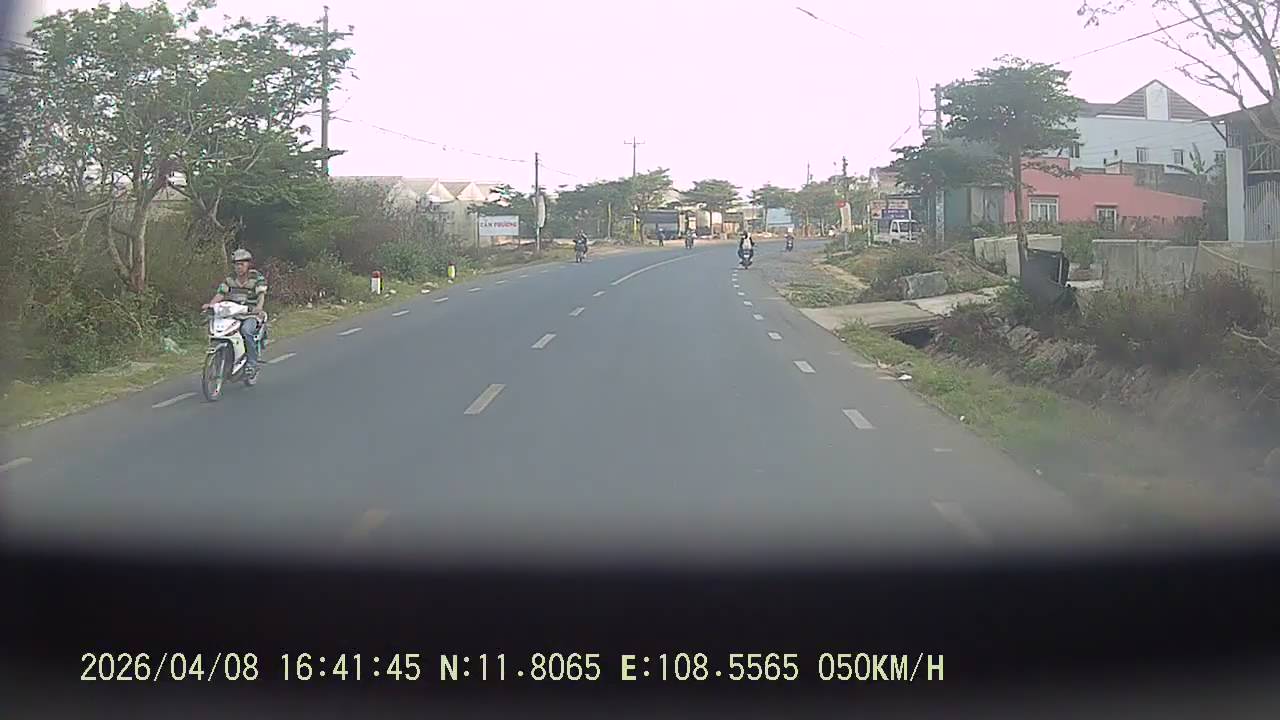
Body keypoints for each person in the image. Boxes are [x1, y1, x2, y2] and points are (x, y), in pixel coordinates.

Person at [202, 248, 268, 385]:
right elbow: (221, 293)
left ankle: (251, 363)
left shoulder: (257, 278)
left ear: (248, 264)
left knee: (246, 331)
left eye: (242, 264)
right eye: (237, 264)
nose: (239, 267)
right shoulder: (230, 279)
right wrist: (211, 304)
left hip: (250, 313)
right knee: (220, 331)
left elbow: (261, 295)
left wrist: (258, 308)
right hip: (232, 313)